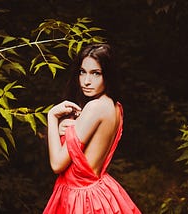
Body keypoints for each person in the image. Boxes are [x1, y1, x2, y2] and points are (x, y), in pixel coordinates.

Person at [43, 43, 141, 213]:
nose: (86, 81)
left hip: (82, 198)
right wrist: (68, 130)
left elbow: (57, 164)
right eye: (82, 72)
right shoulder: (114, 106)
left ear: (108, 75)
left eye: (96, 73)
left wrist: (52, 116)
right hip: (97, 190)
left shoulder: (94, 107)